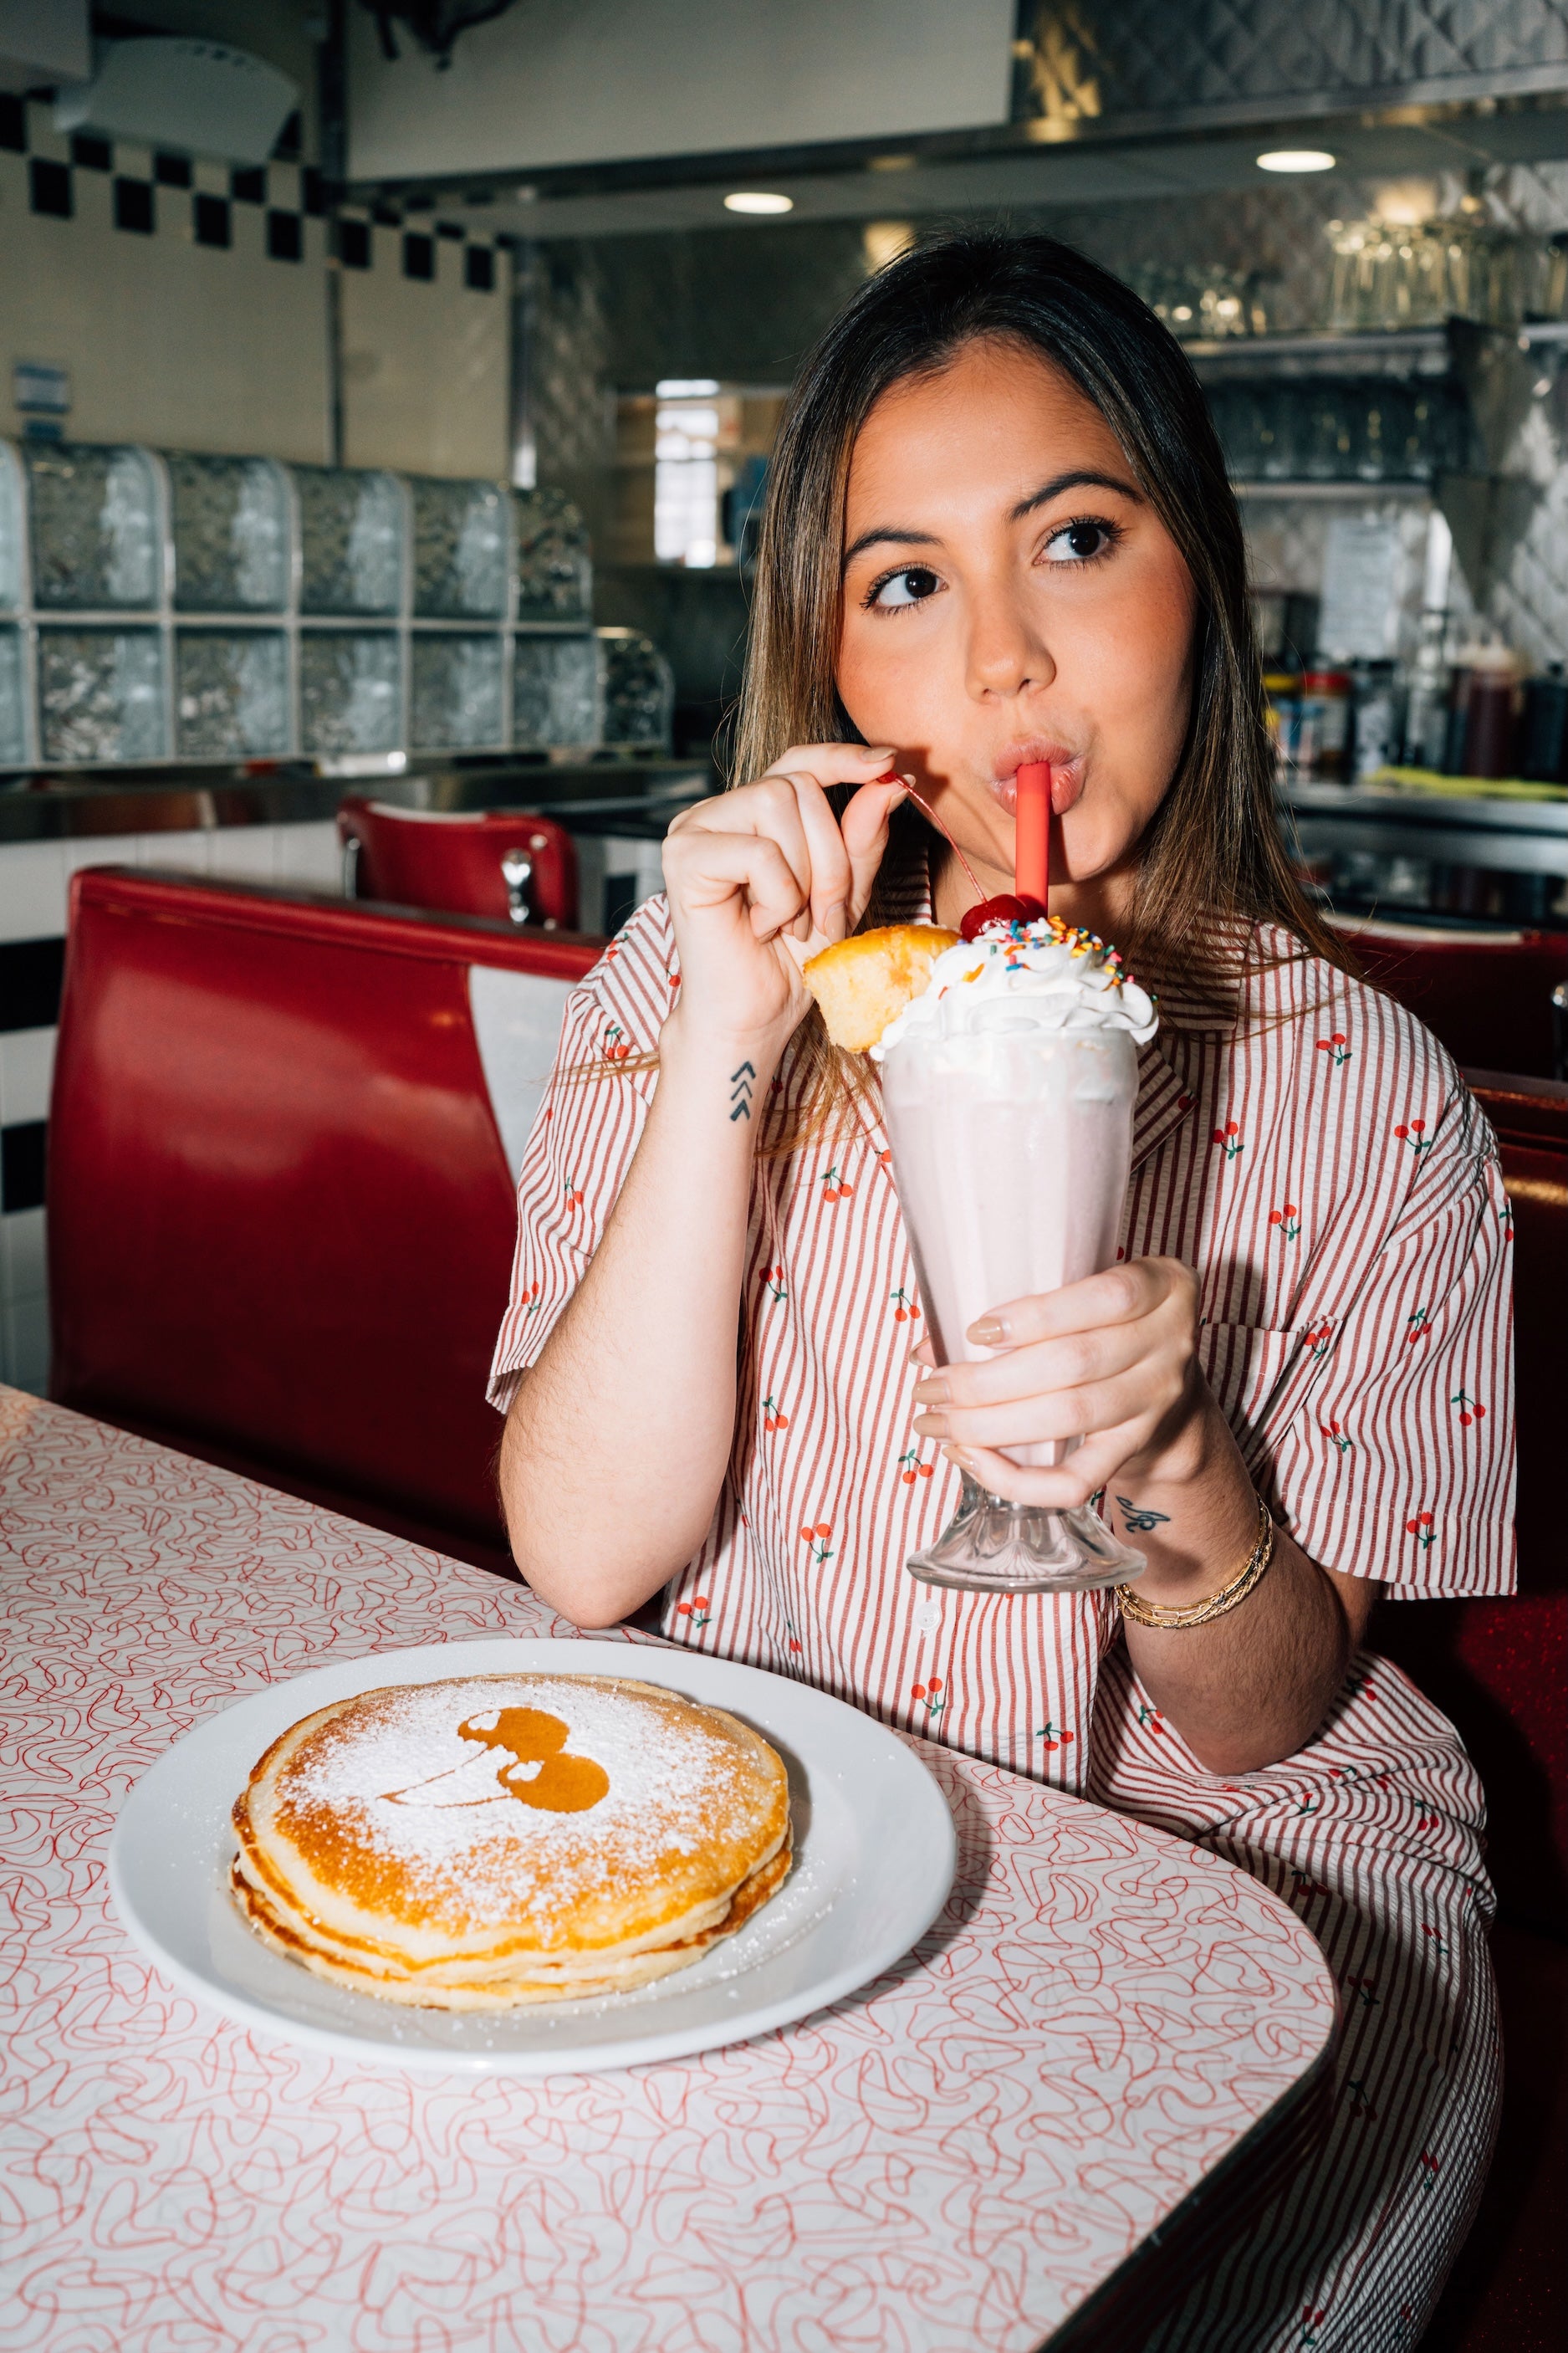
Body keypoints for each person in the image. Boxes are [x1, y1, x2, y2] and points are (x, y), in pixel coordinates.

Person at [488, 233, 1513, 2350]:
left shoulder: (1374, 1095)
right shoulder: (711, 975)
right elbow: (585, 1557)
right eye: (904, 582)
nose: (1002, 665)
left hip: (1256, 1882)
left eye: (1072, 537)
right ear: (834, 658)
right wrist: (731, 1040)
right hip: (802, 1800)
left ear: (1193, 579)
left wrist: (1168, 1460)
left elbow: (1272, 1718)